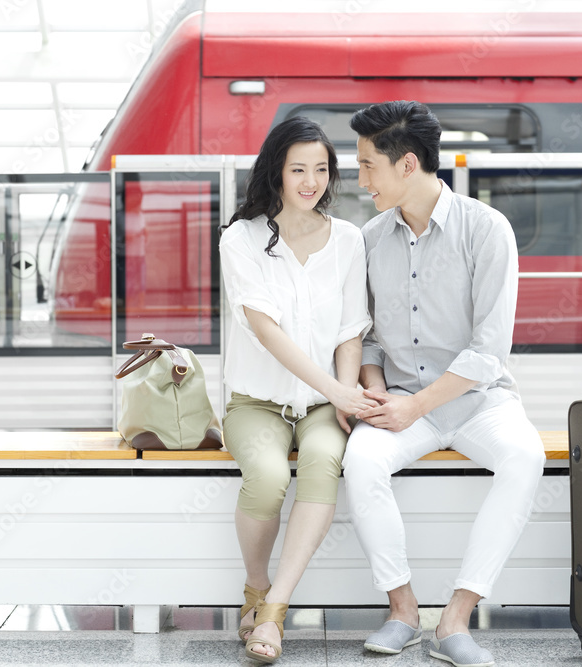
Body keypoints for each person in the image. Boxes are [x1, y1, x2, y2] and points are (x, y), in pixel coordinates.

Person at [342, 100, 546, 667]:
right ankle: (403, 611)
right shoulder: (371, 237)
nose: (360, 179)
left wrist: (418, 407)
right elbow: (370, 338)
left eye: (366, 166)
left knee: (525, 458)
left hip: (478, 399)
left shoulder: (487, 229)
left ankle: (456, 619)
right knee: (362, 461)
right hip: (404, 397)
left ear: (407, 165)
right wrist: (379, 389)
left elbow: (488, 351)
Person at [219, 116, 374, 664]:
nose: (311, 181)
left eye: (321, 169)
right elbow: (265, 330)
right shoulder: (241, 238)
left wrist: (344, 395)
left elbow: (351, 329)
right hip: (255, 400)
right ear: (276, 172)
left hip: (323, 404)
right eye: (298, 169)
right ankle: (256, 588)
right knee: (266, 475)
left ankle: (273, 613)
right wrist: (339, 388)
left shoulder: (349, 239)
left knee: (322, 461)